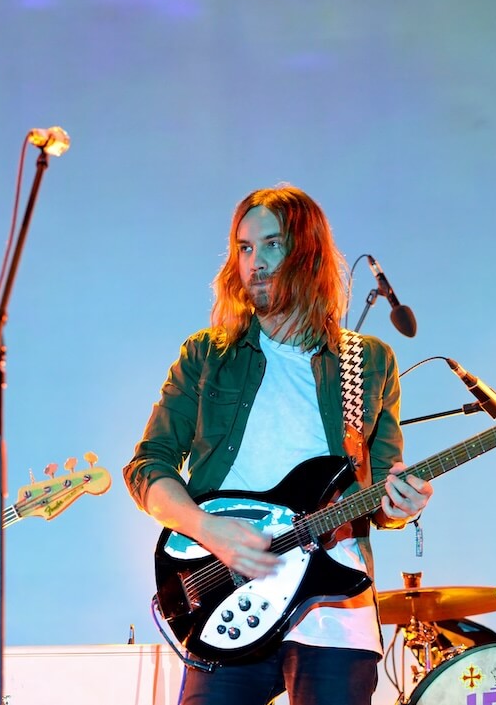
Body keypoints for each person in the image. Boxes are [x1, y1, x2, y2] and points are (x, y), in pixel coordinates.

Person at [124, 185, 432, 705]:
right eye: (245, 248)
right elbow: (147, 466)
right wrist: (206, 528)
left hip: (334, 609)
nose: (255, 262)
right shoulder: (207, 354)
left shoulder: (368, 361)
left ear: (307, 254)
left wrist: (402, 502)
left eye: (272, 245)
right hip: (226, 593)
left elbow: (380, 494)